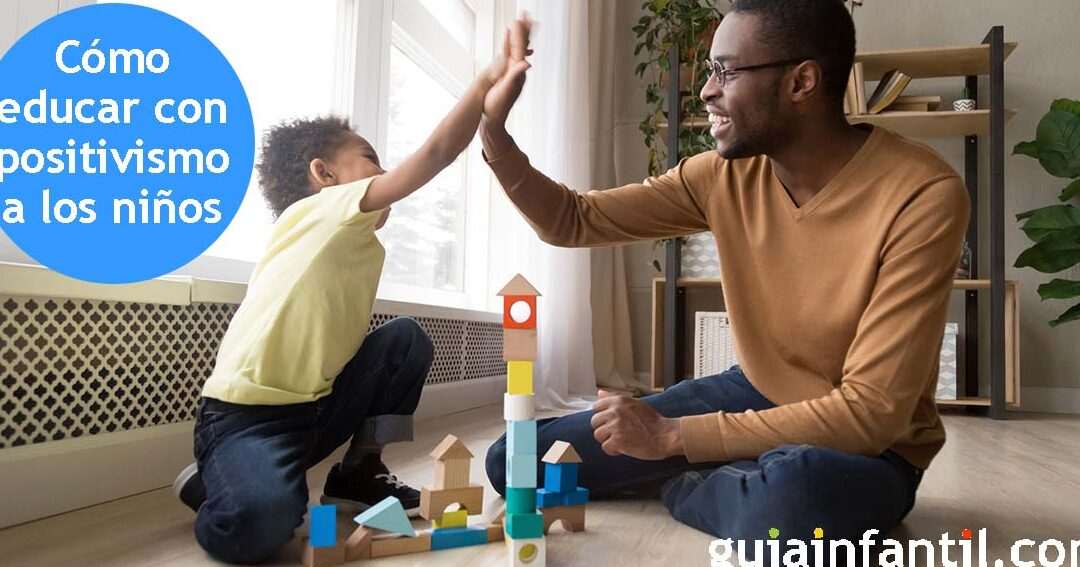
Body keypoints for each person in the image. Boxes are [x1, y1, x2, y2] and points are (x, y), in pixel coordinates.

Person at [482, 0, 968, 560]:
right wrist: (494, 131)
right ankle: (736, 469)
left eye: (725, 72)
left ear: (802, 81)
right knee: (516, 461)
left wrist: (673, 439)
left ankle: (693, 479)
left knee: (792, 502)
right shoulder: (722, 175)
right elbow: (574, 219)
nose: (707, 91)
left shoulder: (922, 194)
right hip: (755, 390)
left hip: (875, 447)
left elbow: (871, 414)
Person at [170, 19, 533, 564]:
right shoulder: (317, 210)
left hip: (314, 412)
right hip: (246, 419)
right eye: (370, 160)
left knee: (406, 339)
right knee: (264, 525)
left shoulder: (355, 239)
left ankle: (359, 471)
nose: (383, 174)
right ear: (324, 175)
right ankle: (209, 485)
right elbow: (432, 155)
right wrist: (483, 87)